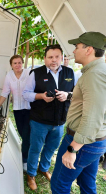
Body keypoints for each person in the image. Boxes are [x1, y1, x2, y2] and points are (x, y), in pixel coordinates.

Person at [50, 32, 106, 193]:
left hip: (82, 142)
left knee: (59, 184)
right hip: (94, 140)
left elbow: (93, 115)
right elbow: (95, 101)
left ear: (89, 50)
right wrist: (69, 95)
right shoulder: (98, 71)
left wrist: (72, 149)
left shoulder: (95, 74)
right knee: (87, 184)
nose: (73, 51)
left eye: (77, 47)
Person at [22, 44, 77, 190]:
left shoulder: (70, 73)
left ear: (62, 57)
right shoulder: (36, 73)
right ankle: (31, 173)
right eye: (50, 57)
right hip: (39, 120)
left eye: (57, 57)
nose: (54, 60)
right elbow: (26, 94)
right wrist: (41, 96)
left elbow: (77, 94)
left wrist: (68, 95)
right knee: (35, 148)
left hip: (59, 122)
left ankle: (44, 168)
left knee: (51, 148)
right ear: (45, 58)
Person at [0, 55, 31, 172]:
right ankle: (27, 152)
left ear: (22, 63)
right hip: (17, 109)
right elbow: (5, 92)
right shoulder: (9, 75)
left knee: (27, 135)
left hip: (29, 108)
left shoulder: (28, 73)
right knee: (22, 133)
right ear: (11, 65)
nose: (17, 65)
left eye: (19, 63)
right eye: (15, 63)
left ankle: (25, 160)